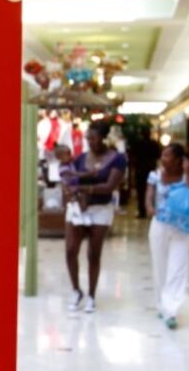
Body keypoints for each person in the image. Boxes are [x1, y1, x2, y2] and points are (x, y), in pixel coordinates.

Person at [62, 121, 127, 313]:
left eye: (94, 138)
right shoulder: (80, 158)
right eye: (88, 138)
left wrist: (83, 187)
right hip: (78, 207)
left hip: (100, 209)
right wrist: (72, 192)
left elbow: (109, 186)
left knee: (94, 253)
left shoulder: (117, 159)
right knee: (70, 249)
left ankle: (91, 295)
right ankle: (76, 290)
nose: (90, 142)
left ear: (104, 138)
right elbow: (69, 180)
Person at [146, 143, 189, 330]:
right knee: (160, 266)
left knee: (178, 268)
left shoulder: (186, 177)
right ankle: (161, 304)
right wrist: (150, 207)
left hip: (181, 228)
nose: (163, 158)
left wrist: (187, 172)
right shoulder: (155, 175)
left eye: (167, 155)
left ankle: (171, 310)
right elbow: (149, 195)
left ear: (178, 160)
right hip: (159, 225)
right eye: (163, 155)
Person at [133, 127, 161, 219]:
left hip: (140, 169)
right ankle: (150, 209)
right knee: (151, 189)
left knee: (141, 191)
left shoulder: (137, 143)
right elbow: (158, 155)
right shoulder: (154, 144)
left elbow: (133, 155)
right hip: (151, 168)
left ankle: (142, 211)